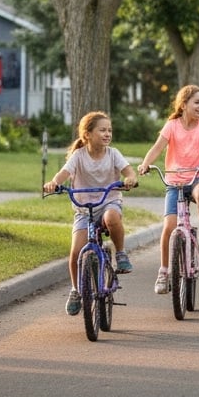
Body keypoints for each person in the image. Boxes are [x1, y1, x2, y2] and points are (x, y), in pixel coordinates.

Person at [43, 111, 138, 316]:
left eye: (109, 130)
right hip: (84, 208)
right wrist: (54, 183)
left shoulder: (113, 154)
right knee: (76, 252)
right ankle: (76, 290)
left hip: (108, 202)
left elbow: (129, 171)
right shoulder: (78, 156)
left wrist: (130, 178)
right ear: (88, 134)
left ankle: (120, 253)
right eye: (102, 130)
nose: (107, 134)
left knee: (112, 218)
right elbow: (64, 174)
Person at [138, 85, 199, 295]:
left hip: (198, 176)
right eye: (197, 102)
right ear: (183, 104)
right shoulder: (172, 126)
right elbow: (157, 147)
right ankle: (164, 271)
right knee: (169, 226)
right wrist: (145, 164)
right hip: (175, 181)